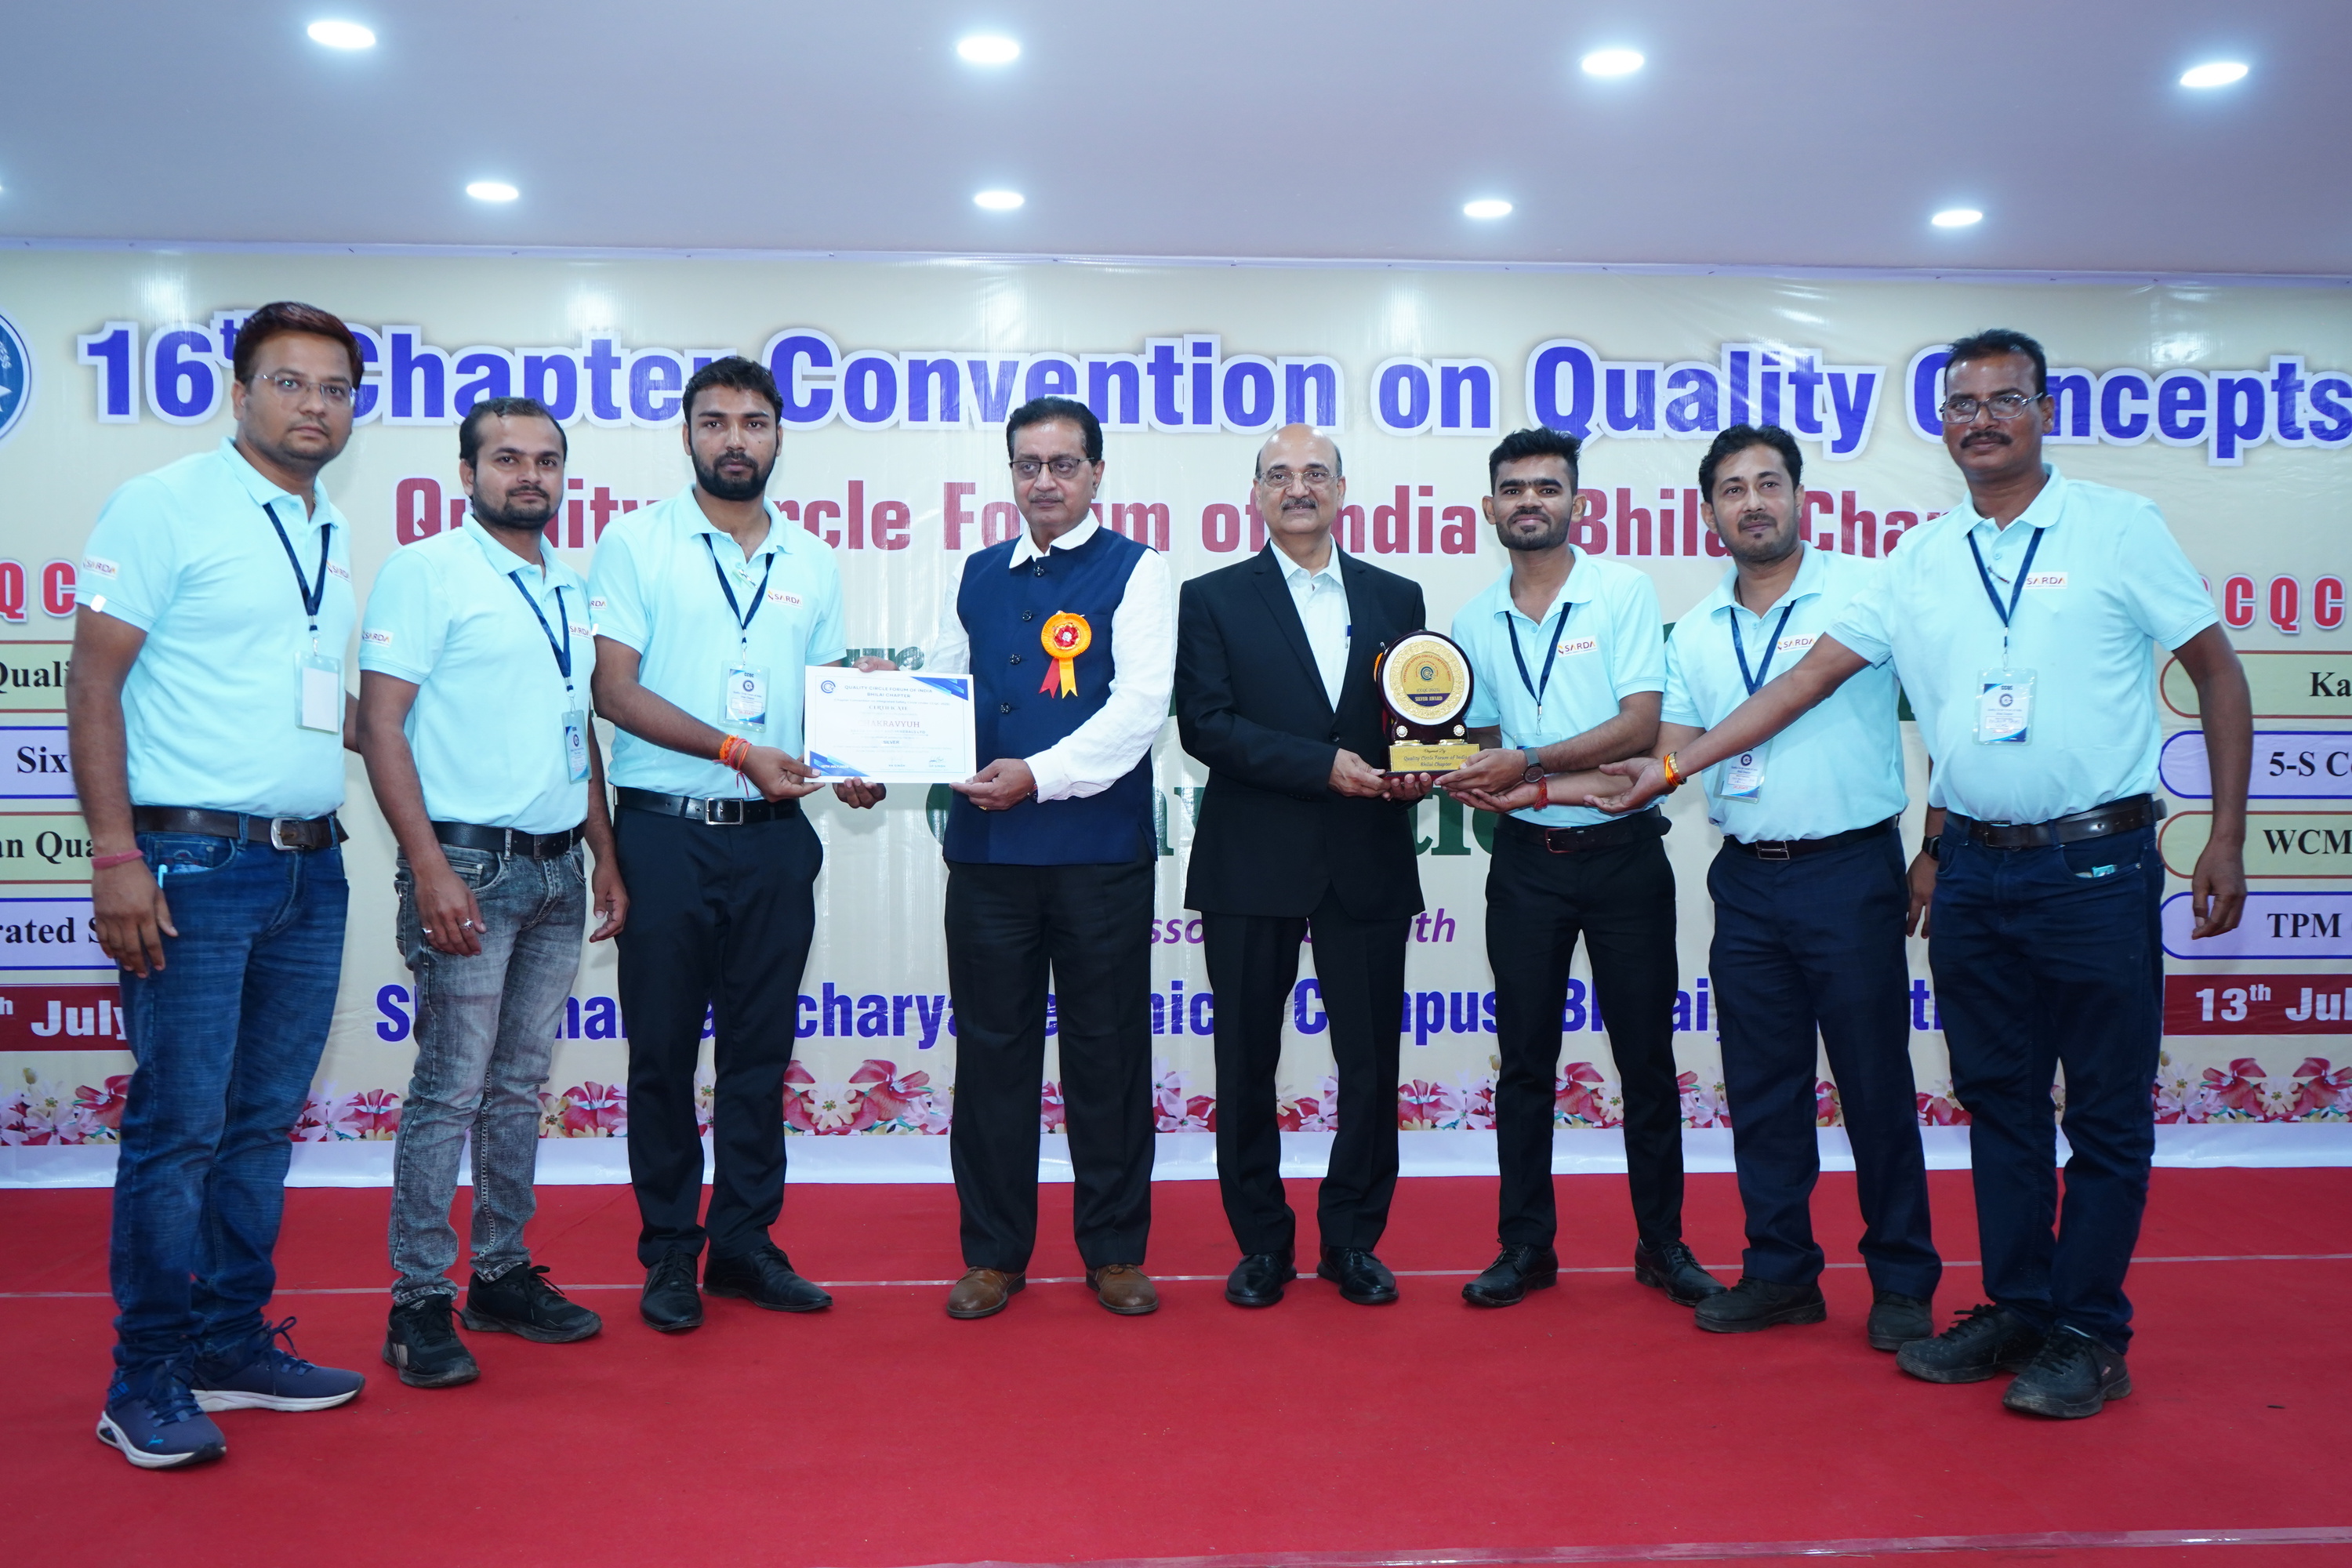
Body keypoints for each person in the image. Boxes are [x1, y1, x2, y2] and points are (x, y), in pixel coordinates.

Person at [1592, 328, 2250, 1418]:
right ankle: (2020, 1307)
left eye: (2005, 399)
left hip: (2095, 862)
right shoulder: (1921, 558)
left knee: (2103, 1109)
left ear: (2044, 410)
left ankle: (2090, 1331)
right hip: (1978, 874)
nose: (1982, 420)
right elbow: (1801, 684)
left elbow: (2217, 674)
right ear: (1941, 423)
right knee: (1999, 1103)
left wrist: (2224, 834)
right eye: (1962, 404)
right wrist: (1670, 767)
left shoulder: (2118, 527)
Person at [70, 300, 371, 1468]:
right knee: (180, 1128)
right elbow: (94, 684)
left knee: (257, 1127)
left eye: (335, 389)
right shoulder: (161, 503)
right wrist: (116, 857)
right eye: (290, 383)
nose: (314, 406)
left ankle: (227, 1341)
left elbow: (311, 693)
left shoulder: (327, 523)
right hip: (190, 864)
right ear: (239, 393)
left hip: (309, 867)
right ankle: (142, 1374)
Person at [587, 355, 879, 1333]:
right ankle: (671, 1248)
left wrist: (858, 762)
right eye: (715, 422)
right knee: (663, 1053)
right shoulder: (635, 543)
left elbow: (829, 701)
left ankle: (745, 1242)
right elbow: (614, 691)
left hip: (775, 842)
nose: (735, 439)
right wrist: (735, 750)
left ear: (778, 437)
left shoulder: (812, 559)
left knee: (759, 1053)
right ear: (687, 436)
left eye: (754, 422)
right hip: (665, 836)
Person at [1637, 423, 1940, 1345]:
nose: (1753, 502)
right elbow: (1667, 758)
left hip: (1850, 871)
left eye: (1769, 483)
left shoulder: (1865, 589)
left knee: (1874, 1084)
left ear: (1800, 496)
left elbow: (1945, 718)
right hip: (1746, 881)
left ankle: (1902, 1281)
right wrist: (1532, 780)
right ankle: (1780, 1270)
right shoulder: (1695, 629)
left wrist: (1935, 845)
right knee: (1763, 1087)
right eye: (1733, 489)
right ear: (1710, 513)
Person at [358, 396, 626, 1387]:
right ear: (466, 473)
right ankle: (419, 1299)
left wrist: (604, 852)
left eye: (547, 460)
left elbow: (574, 724)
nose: (530, 475)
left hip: (558, 868)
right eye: (507, 458)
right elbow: (381, 725)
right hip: (466, 866)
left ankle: (502, 1273)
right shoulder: (426, 570)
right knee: (450, 1088)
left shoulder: (568, 583)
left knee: (517, 1089)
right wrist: (428, 865)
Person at [1432, 427, 1726, 1311]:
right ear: (1490, 508)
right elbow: (1483, 749)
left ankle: (1662, 1243)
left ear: (1577, 503)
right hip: (1526, 864)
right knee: (1525, 1061)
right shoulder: (1472, 621)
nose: (1531, 501)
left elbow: (1640, 726)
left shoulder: (1622, 592)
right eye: (1514, 489)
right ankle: (1526, 1246)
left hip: (1624, 859)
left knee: (1645, 1059)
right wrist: (1455, 769)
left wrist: (1526, 763)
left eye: (1548, 487)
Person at [908, 395, 1173, 1319]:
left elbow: (1140, 708)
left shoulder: (1139, 570)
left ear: (1097, 472)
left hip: (1099, 854)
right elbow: (942, 688)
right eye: (1029, 465)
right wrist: (881, 731)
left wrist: (1039, 775)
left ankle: (1114, 1249)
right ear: (1012, 475)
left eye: (1064, 464)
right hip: (988, 857)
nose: (1046, 480)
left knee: (1108, 1052)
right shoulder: (978, 572)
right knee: (991, 1056)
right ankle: (993, 1255)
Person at [1174, 425, 1432, 1308]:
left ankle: (1353, 1240)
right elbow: (1206, 725)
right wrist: (1322, 766)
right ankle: (1262, 1243)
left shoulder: (1397, 596)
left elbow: (1417, 719)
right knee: (1246, 1060)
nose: (1298, 487)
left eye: (1315, 473)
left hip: (1367, 857)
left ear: (1342, 490)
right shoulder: (1211, 598)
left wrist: (1417, 771)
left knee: (1371, 1063)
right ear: (1254, 494)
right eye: (1279, 474)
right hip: (1251, 861)